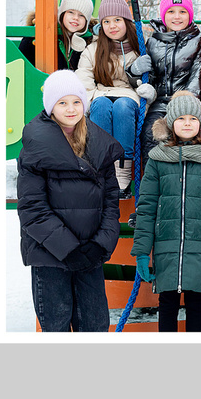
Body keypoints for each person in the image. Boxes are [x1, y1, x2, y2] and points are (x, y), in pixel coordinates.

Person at [20, 71, 123, 333]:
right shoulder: (36, 145)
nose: (71, 109)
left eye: (76, 102)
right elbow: (33, 208)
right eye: (62, 102)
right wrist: (69, 249)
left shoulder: (99, 145)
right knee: (57, 326)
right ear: (51, 106)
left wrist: (100, 245)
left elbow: (111, 202)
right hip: (51, 254)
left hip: (90, 253)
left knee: (95, 325)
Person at [133, 88, 201, 333]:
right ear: (170, 123)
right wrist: (143, 252)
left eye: (192, 119)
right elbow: (146, 208)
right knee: (166, 302)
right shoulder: (158, 159)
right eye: (181, 119)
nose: (187, 124)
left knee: (195, 303)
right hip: (167, 244)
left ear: (200, 123)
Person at [70, 0, 152, 190]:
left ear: (126, 22)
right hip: (100, 93)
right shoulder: (94, 49)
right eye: (106, 21)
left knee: (122, 107)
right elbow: (84, 76)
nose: (112, 26)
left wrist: (148, 91)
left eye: (117, 20)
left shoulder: (140, 46)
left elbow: (150, 78)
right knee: (101, 106)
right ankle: (102, 163)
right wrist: (89, 98)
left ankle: (123, 165)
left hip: (130, 96)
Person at [135, 0, 201, 148]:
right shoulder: (153, 42)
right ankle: (150, 172)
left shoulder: (198, 41)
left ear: (190, 15)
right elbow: (149, 78)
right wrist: (135, 72)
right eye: (171, 11)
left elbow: (196, 75)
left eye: (182, 11)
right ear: (164, 15)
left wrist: (182, 104)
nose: (177, 16)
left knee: (184, 134)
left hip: (186, 102)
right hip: (159, 103)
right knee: (150, 134)